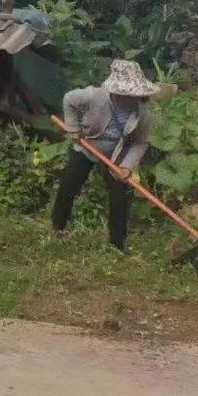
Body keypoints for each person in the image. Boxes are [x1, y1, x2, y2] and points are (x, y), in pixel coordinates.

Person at [52, 59, 157, 252]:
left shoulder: (143, 113)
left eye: (134, 93)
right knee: (69, 184)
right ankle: (57, 227)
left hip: (118, 155)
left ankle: (117, 244)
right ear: (115, 90)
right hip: (88, 146)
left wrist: (126, 166)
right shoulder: (95, 96)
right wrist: (73, 129)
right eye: (126, 93)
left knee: (120, 196)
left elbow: (141, 142)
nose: (130, 97)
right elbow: (69, 99)